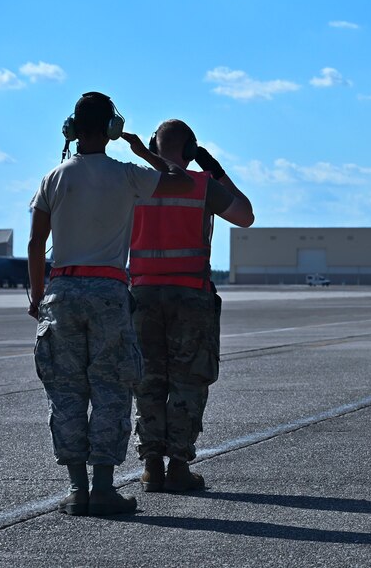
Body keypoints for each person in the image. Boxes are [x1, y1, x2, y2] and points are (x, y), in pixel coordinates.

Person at [28, 92, 193, 516]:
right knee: (111, 390)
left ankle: (76, 491)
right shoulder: (127, 174)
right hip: (107, 293)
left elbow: (34, 244)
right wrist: (141, 150)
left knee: (66, 394)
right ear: (112, 128)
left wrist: (36, 297)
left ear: (71, 128)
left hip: (61, 294)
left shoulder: (53, 177)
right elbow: (182, 180)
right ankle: (103, 489)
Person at [131, 119, 254, 493]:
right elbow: (245, 216)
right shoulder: (202, 186)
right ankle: (179, 465)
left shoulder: (135, 183)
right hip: (190, 295)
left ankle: (151, 465)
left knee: (147, 379)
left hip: (142, 295)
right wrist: (212, 168)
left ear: (153, 145)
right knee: (189, 379)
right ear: (190, 151)